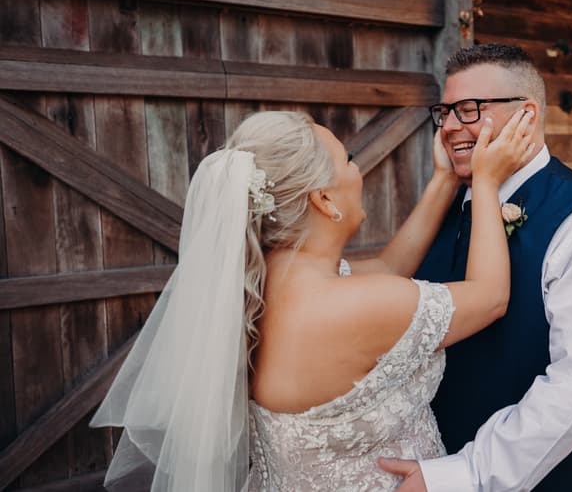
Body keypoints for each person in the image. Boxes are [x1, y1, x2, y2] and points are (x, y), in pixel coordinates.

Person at [90, 108, 537, 491]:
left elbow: (386, 269)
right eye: (348, 159)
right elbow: (490, 296)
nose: (357, 169)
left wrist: (443, 179)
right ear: (324, 199)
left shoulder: (261, 286)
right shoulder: (350, 306)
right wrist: (486, 178)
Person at [379, 44, 572, 491]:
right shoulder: (444, 206)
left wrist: (465, 474)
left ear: (527, 115)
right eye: (444, 112)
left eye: (467, 110)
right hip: (431, 462)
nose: (448, 127)